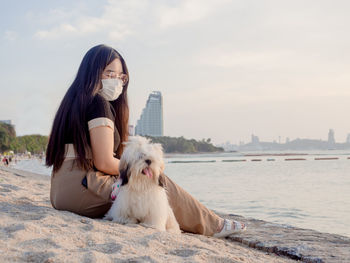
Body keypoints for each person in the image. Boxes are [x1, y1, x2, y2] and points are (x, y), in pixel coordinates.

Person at [45, 44, 245, 237]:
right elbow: (104, 162)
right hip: (82, 189)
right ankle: (213, 224)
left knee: (146, 178)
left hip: (62, 191)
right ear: (92, 73)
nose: (116, 81)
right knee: (156, 180)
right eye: (109, 73)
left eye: (120, 76)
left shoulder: (75, 101)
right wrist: (141, 169)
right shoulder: (98, 103)